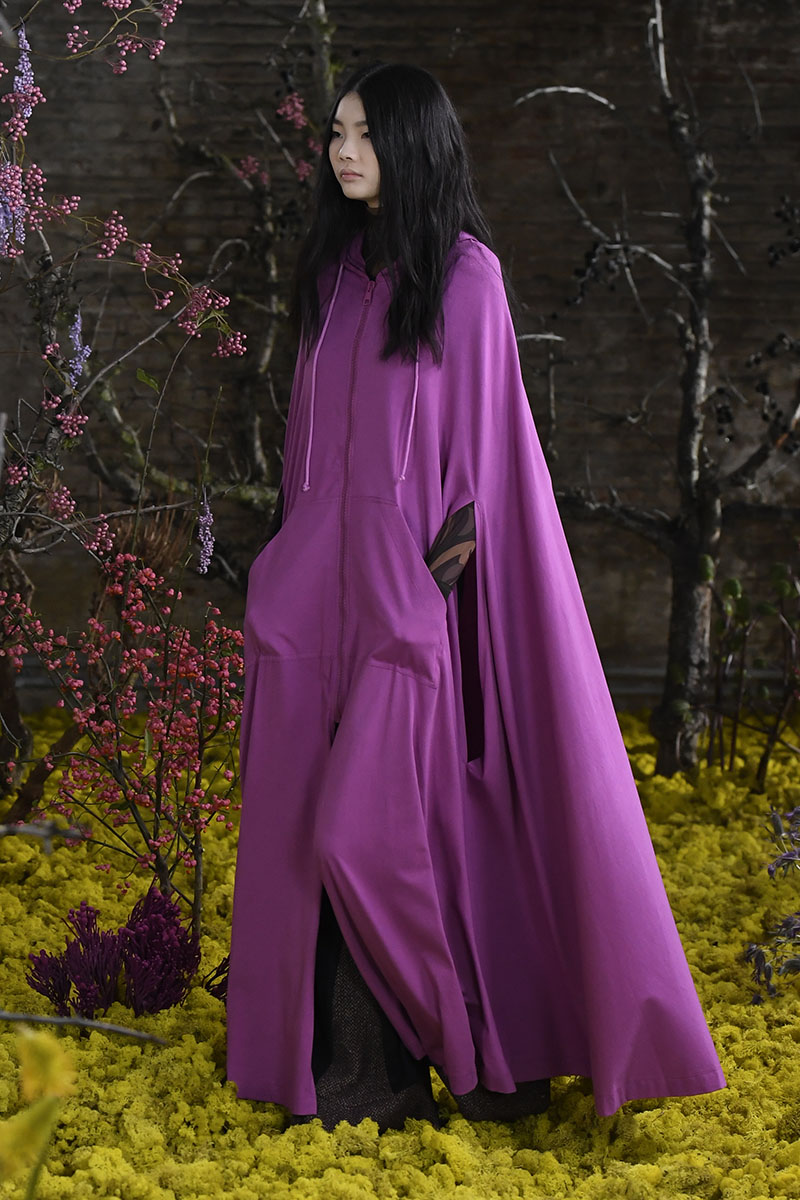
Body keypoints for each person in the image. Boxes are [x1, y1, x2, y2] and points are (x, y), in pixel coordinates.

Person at [225, 61, 726, 1132]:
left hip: (411, 612)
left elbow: (489, 459)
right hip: (305, 615)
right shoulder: (327, 277)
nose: (342, 151)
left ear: (413, 143)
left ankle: (473, 1049)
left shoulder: (467, 280)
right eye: (335, 132)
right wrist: (276, 574)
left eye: (365, 133)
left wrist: (437, 583)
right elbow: (305, 451)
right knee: (299, 842)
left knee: (372, 836)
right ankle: (359, 1078)